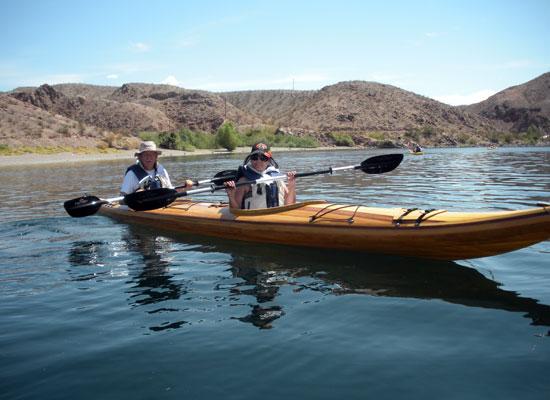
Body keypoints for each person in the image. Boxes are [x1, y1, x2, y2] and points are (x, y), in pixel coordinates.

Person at [224, 142, 296, 209]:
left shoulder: (277, 177)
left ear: (268, 161)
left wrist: (291, 184)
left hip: (278, 215)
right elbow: (235, 210)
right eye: (255, 157)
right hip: (254, 217)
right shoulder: (244, 181)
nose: (258, 161)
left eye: (263, 158)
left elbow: (289, 204)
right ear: (250, 160)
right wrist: (231, 195)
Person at [120, 141, 193, 195]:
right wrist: (136, 195)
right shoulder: (132, 173)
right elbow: (122, 199)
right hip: (140, 207)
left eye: (152, 155)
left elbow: (170, 190)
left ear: (156, 157)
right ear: (140, 157)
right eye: (146, 155)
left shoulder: (161, 169)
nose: (149, 158)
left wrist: (185, 188)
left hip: (160, 204)